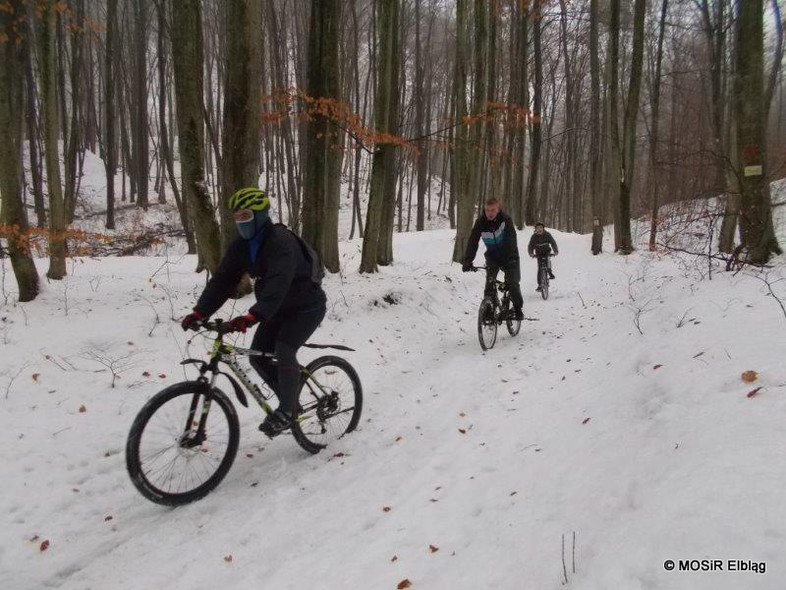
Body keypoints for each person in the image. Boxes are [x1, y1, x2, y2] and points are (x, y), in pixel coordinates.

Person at [180, 188, 327, 437]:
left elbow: (279, 283)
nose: (241, 222)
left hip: (307, 306)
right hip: (277, 309)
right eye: (237, 217)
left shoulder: (282, 242)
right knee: (257, 357)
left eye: (246, 216)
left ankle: (287, 411)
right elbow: (223, 280)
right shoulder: (242, 246)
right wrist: (199, 312)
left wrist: (252, 316)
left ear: (260, 215)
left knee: (284, 349)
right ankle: (291, 401)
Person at [461, 197, 524, 320]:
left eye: (492, 210)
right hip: (492, 257)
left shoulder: (505, 220)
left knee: (512, 283)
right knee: (489, 284)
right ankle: (489, 312)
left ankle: (517, 308)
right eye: (487, 210)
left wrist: (511, 257)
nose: (489, 213)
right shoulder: (480, 222)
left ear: (498, 209)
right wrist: (468, 260)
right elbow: (473, 241)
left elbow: (512, 239)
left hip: (510, 256)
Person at [527, 222, 559, 291]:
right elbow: (530, 245)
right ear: (536, 229)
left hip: (546, 251)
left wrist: (555, 251)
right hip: (538, 253)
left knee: (547, 262)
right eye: (538, 228)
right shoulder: (534, 236)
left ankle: (549, 272)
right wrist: (531, 253)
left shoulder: (547, 234)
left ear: (543, 228)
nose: (539, 229)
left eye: (541, 228)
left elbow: (553, 242)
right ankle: (540, 285)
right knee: (540, 268)